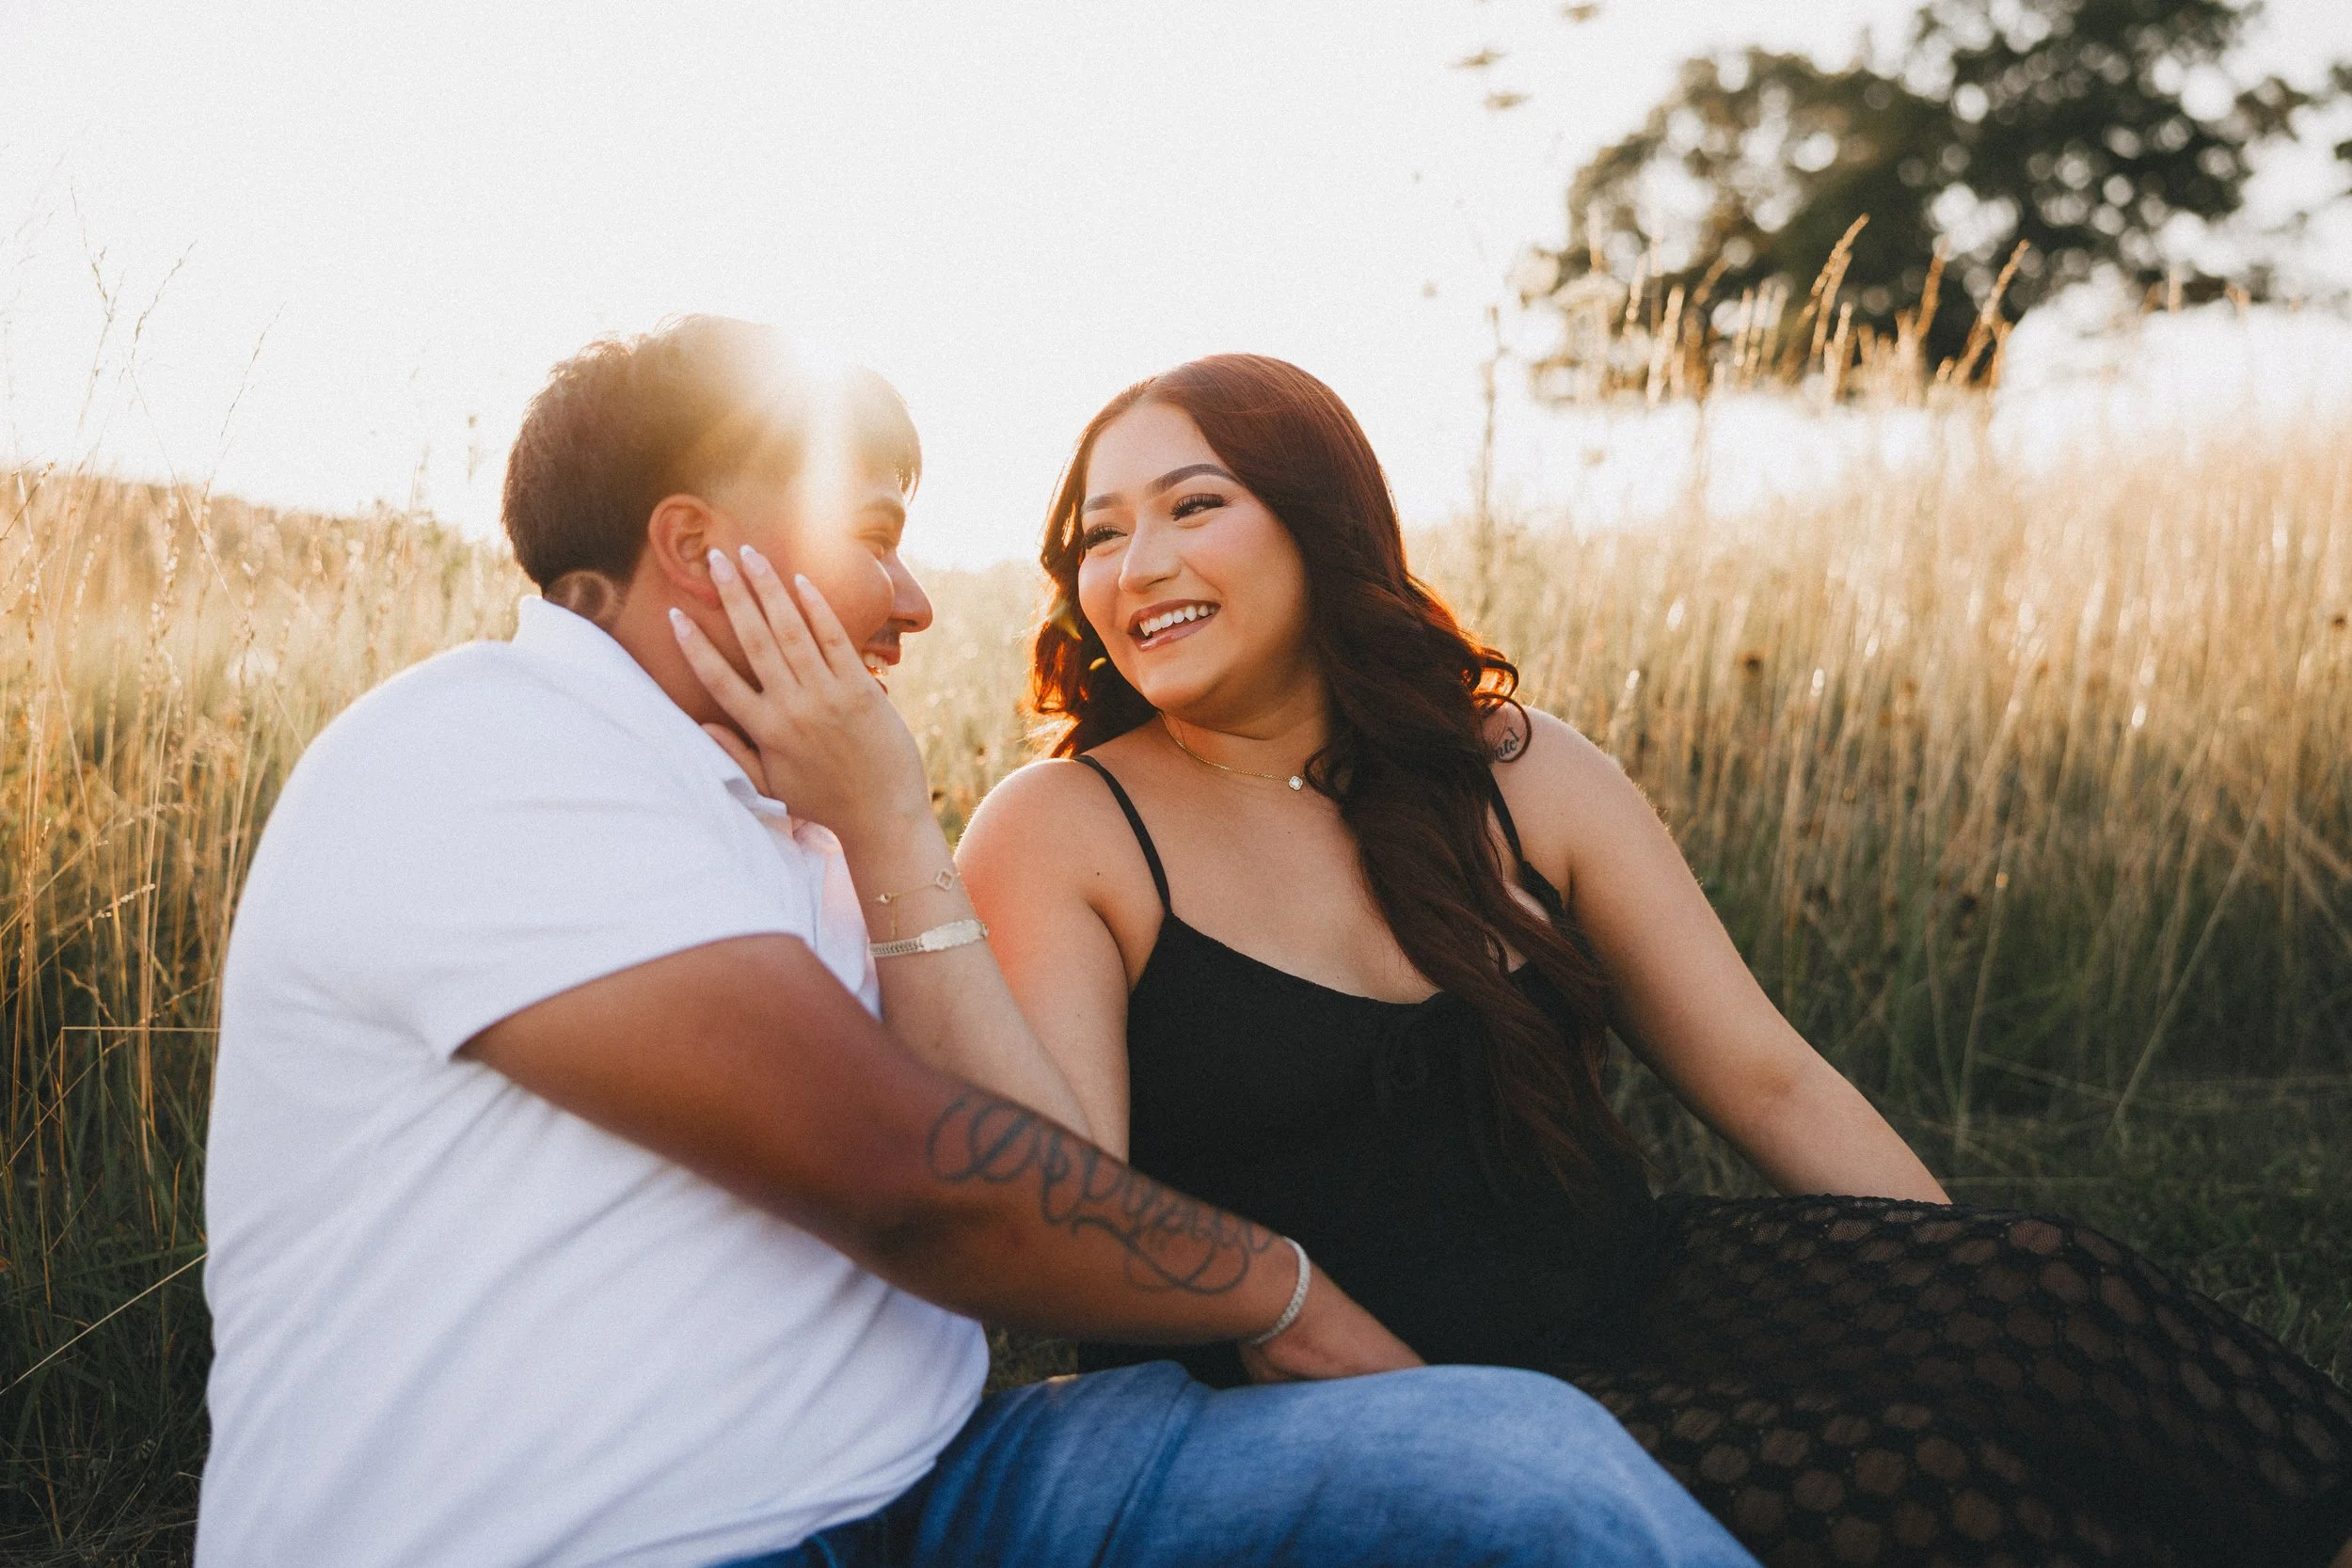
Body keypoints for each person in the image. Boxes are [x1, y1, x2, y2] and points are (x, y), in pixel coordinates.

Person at [196, 317, 1758, 1568]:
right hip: (615, 1534)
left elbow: (1040, 1157)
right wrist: (1282, 1293)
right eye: (876, 535)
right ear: (697, 545)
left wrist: (881, 827)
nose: (912, 601)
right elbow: (930, 1187)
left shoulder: (795, 824)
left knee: (1515, 1462)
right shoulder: (485, 747)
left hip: (944, 1489)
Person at [930, 353, 2352, 1568]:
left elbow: (1765, 1074)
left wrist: (1962, 1290)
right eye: (1098, 535)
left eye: (1194, 505)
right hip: (1362, 1400)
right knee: (1925, 1493)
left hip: (1628, 1274)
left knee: (2054, 1299)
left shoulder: (1512, 764)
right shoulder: (1064, 826)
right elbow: (1071, 1205)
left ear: (1319, 525)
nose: (1139, 565)